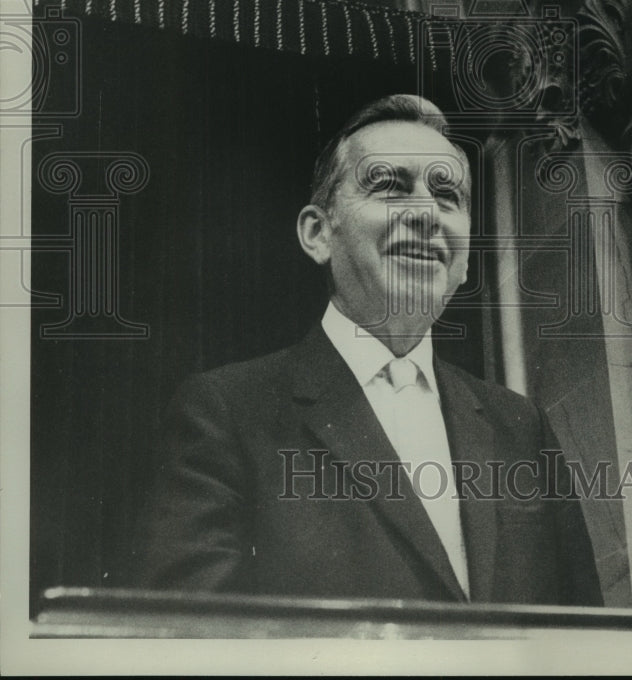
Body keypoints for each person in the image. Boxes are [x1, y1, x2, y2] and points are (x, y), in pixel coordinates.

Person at [132, 94, 603, 606]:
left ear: (465, 259)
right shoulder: (226, 412)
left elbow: (581, 633)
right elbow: (191, 640)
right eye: (389, 186)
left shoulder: (521, 425)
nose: (426, 213)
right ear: (318, 234)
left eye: (449, 196)